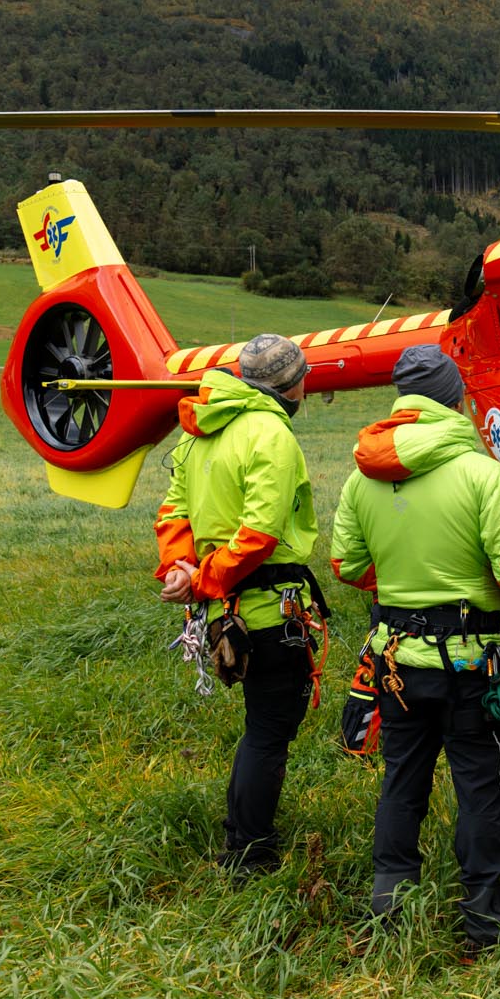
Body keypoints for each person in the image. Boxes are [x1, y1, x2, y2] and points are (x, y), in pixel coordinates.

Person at [329, 345, 500, 942]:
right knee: (478, 782)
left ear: (400, 402)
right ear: (456, 399)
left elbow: (346, 563)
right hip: (471, 664)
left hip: (395, 661)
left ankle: (389, 903)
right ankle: (482, 912)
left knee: (402, 778)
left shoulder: (361, 477)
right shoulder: (481, 473)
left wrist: (403, 589)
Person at [154, 333, 321, 874]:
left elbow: (172, 512)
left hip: (225, 610)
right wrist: (201, 580)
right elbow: (261, 532)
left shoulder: (199, 427)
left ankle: (244, 834)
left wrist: (181, 568)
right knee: (270, 729)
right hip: (267, 608)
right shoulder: (271, 432)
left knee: (260, 725)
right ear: (294, 385)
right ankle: (249, 851)